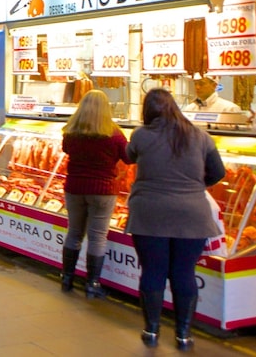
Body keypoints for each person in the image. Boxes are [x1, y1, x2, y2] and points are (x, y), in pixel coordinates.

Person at [125, 88, 226, 350]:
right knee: (184, 272)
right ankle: (183, 335)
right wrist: (194, 187)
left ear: (147, 111)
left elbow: (128, 157)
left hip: (149, 214)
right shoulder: (200, 136)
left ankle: (152, 331)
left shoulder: (141, 135)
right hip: (192, 214)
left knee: (153, 271)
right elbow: (218, 172)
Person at [59, 90, 130, 297]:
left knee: (74, 233)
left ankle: (67, 278)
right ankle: (92, 284)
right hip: (103, 190)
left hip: (75, 188)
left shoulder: (71, 131)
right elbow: (128, 157)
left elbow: (66, 149)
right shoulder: (114, 134)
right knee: (97, 237)